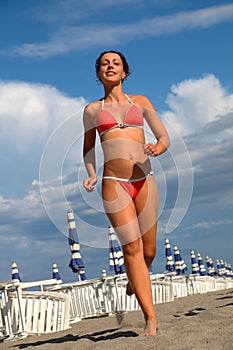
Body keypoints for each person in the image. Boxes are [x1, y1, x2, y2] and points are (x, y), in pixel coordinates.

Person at [83, 50, 170, 336]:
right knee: (131, 249)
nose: (110, 66)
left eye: (116, 63)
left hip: (145, 179)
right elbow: (88, 148)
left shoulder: (141, 102)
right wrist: (92, 174)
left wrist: (157, 148)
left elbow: (163, 136)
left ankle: (135, 278)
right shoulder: (92, 111)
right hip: (113, 183)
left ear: (124, 72)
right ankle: (151, 319)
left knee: (149, 250)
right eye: (105, 64)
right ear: (99, 74)